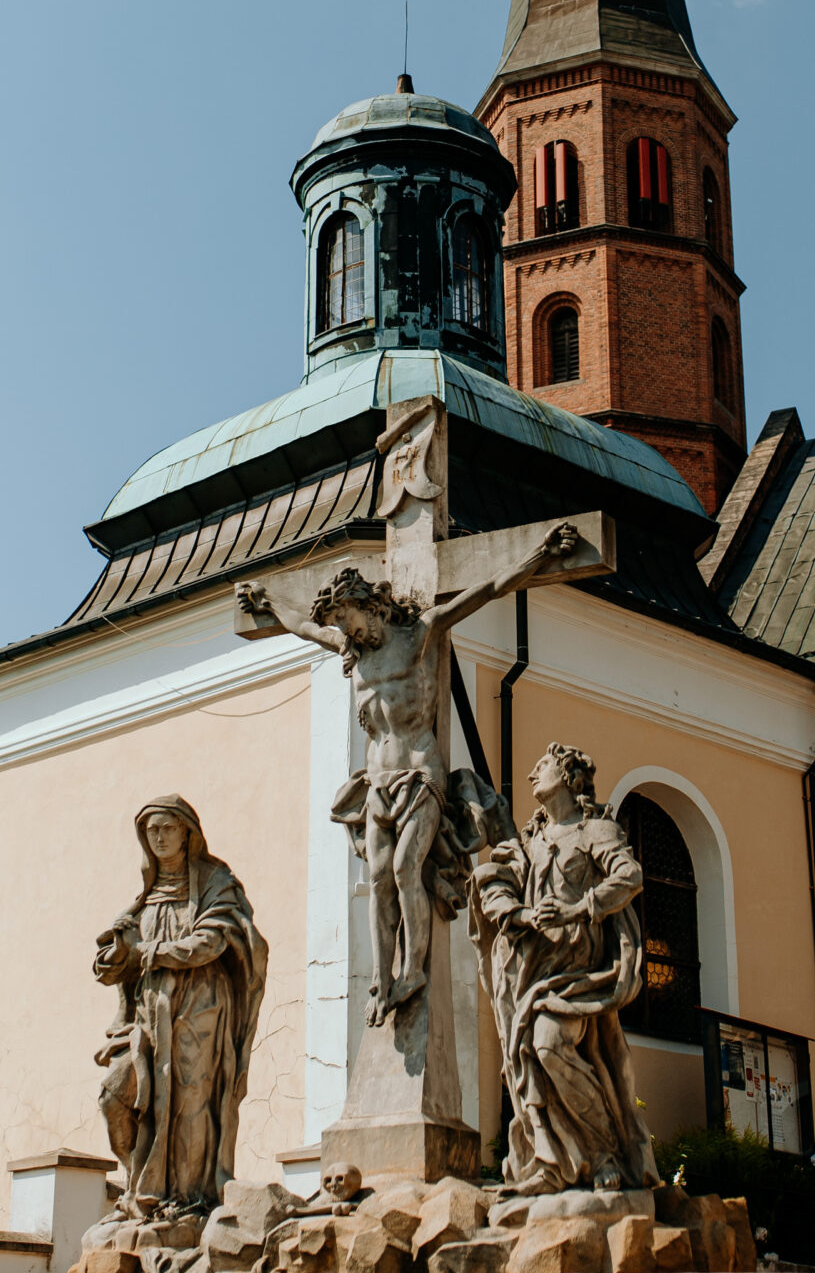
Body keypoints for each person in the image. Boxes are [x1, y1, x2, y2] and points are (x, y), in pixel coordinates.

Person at [236, 522, 578, 1025]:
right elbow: (302, 627)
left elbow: (488, 588)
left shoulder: (420, 634)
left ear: (370, 606)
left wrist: (540, 554)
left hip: (420, 775)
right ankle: (382, 978)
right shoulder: (353, 651)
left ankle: (413, 970)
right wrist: (266, 603)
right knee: (378, 878)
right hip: (377, 783)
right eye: (343, 628)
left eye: (352, 622)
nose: (350, 634)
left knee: (403, 869)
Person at [472, 742, 659, 1195]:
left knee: (548, 1043)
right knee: (527, 1060)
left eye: (544, 765)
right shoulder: (531, 841)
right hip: (531, 970)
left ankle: (603, 1154)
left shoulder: (595, 830)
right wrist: (521, 914)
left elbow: (629, 876)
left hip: (579, 971)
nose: (532, 773)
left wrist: (578, 909)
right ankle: (550, 1162)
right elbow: (497, 886)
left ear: (570, 778)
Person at [92, 796, 267, 1224]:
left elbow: (213, 939)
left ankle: (189, 1201)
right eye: (151, 830)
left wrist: (149, 951)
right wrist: (118, 953)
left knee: (190, 1101)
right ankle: (139, 1189)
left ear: (188, 833)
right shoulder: (146, 896)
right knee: (118, 1096)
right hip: (150, 1013)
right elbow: (120, 961)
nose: (159, 837)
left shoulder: (214, 882)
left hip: (200, 1004)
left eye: (168, 828)